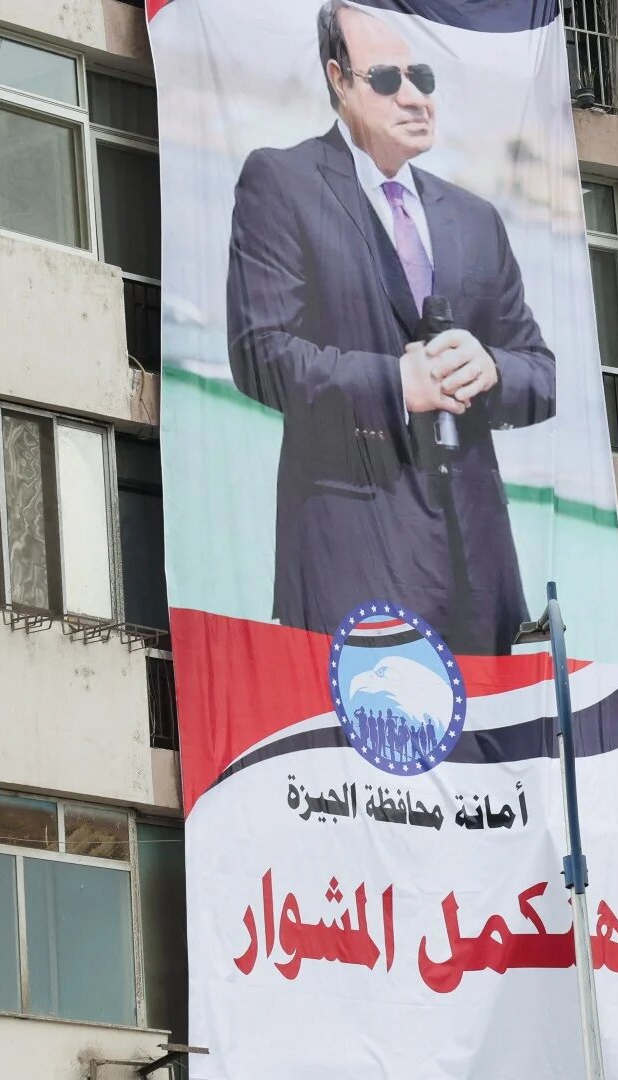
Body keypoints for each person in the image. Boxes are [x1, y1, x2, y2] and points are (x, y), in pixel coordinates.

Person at [225, 0, 555, 651]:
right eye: (387, 80)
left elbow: (540, 372)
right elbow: (260, 354)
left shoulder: (474, 218)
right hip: (350, 563)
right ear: (339, 80)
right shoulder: (282, 182)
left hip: (478, 576)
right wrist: (395, 384)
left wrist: (490, 370)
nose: (414, 98)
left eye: (422, 79)